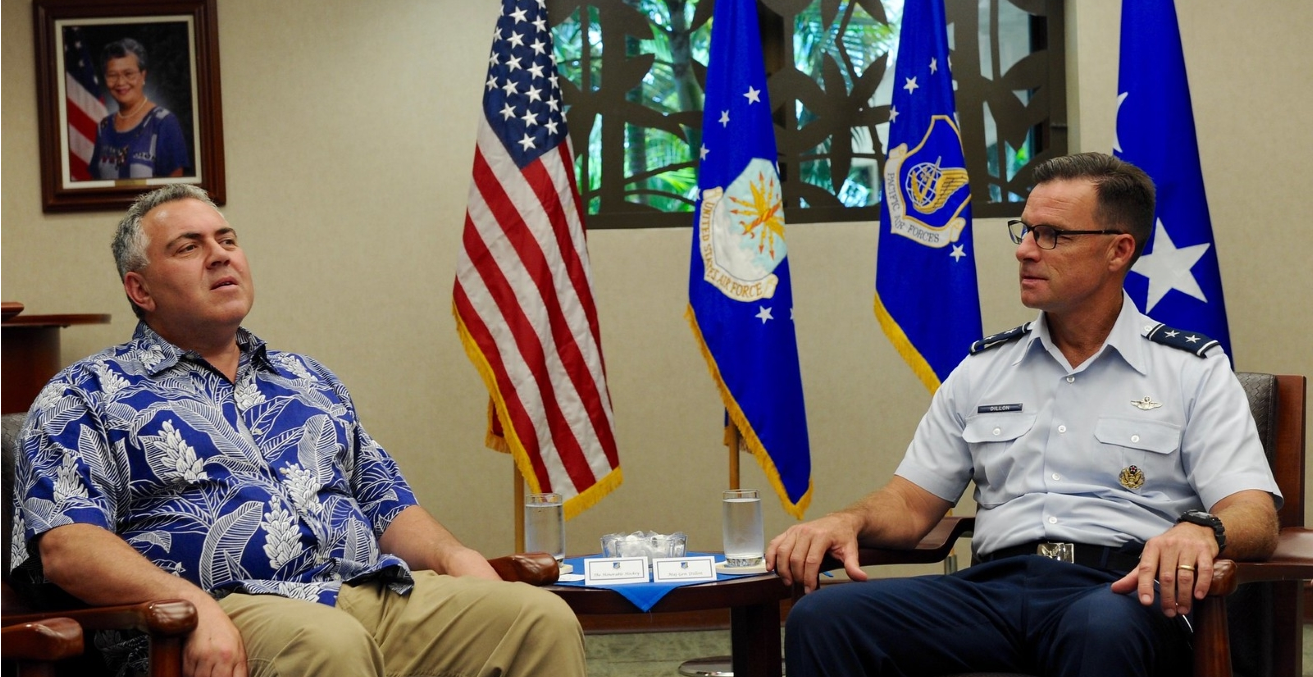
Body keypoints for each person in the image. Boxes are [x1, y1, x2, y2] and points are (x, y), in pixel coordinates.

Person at [9, 184, 585, 677]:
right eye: (189, 247)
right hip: (212, 617)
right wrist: (193, 605)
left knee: (538, 619)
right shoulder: (85, 394)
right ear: (141, 290)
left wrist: (459, 559)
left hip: (370, 593)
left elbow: (386, 501)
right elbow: (68, 548)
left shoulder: (308, 378)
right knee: (328, 643)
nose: (219, 256)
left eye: (227, 240)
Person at [767, 152, 1282, 677]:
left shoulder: (1190, 369)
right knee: (824, 617)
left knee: (1100, 626)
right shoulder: (985, 367)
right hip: (989, 592)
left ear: (1118, 250)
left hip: (1119, 592)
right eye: (1026, 230)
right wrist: (845, 519)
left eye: (1051, 235)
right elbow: (909, 503)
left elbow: (1255, 513)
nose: (1024, 251)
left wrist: (1200, 530)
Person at [88, 38, 191, 179]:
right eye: (112, 75)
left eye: (128, 74)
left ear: (143, 75)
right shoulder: (104, 127)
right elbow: (95, 187)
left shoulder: (164, 123)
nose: (120, 82)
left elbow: (174, 192)